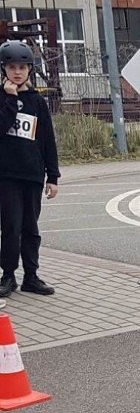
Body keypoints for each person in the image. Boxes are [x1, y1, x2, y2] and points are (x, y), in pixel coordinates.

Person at [0, 40, 59, 299]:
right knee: (10, 227)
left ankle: (31, 276)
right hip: (7, 175)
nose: (17, 72)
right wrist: (11, 100)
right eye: (12, 67)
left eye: (22, 67)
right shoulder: (2, 99)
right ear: (3, 69)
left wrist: (52, 175)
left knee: (30, 228)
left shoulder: (37, 102)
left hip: (32, 175)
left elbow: (47, 140)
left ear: (29, 70)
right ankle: (8, 275)